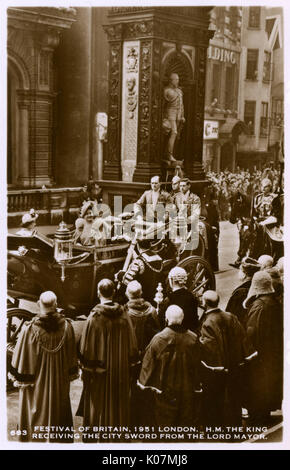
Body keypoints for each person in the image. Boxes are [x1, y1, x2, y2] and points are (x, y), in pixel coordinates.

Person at [9, 291, 78, 442]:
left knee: (35, 413)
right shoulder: (67, 327)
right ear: (56, 304)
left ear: (39, 304)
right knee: (59, 411)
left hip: (37, 386)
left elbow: (22, 361)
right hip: (59, 383)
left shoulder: (30, 329)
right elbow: (72, 360)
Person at [77, 279, 137, 438]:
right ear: (114, 293)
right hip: (120, 370)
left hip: (100, 372)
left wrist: (86, 370)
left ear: (98, 293)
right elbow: (132, 345)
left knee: (98, 404)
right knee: (119, 402)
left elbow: (86, 349)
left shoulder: (94, 318)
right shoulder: (124, 315)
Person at [199, 290, 256, 427]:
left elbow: (210, 350)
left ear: (205, 304)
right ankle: (235, 425)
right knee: (234, 397)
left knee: (219, 398)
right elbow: (243, 338)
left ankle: (220, 427)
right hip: (236, 364)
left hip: (220, 369)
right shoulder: (231, 316)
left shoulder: (207, 323)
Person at [138, 305, 201, 426]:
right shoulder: (193, 338)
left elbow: (148, 364)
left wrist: (143, 384)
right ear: (182, 319)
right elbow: (198, 364)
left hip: (166, 390)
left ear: (166, 319)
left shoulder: (159, 339)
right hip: (187, 389)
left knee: (165, 423)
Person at [243, 271, 283, 425]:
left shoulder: (259, 306)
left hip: (259, 356)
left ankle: (257, 417)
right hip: (272, 354)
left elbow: (251, 332)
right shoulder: (274, 303)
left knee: (256, 387)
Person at [124, 280, 160, 426]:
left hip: (130, 357)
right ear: (141, 293)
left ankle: (133, 421)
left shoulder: (125, 312)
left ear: (128, 294)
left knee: (131, 388)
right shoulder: (151, 311)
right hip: (148, 356)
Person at [161, 266, 198, 332]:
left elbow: (162, 322)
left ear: (172, 280)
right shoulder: (191, 296)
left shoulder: (169, 299)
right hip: (190, 333)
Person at [226, 257, 261, 328]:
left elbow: (231, 313)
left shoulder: (241, 292)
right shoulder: (256, 286)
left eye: (240, 270)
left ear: (245, 273)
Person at [163, 73, 185, 160]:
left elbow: (182, 105)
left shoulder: (179, 91)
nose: (177, 81)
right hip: (170, 112)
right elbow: (163, 105)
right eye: (176, 79)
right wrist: (164, 117)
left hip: (178, 113)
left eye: (178, 79)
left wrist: (182, 115)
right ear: (171, 80)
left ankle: (173, 153)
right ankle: (169, 154)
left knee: (177, 134)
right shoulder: (166, 90)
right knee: (174, 132)